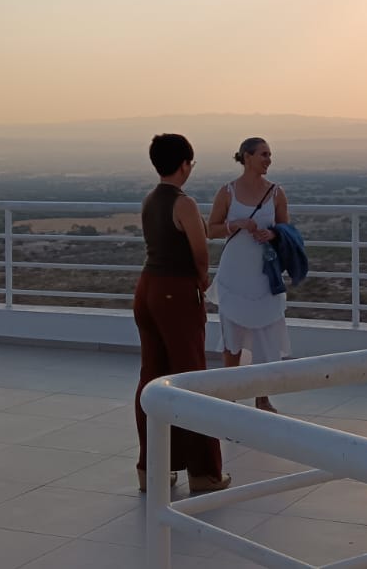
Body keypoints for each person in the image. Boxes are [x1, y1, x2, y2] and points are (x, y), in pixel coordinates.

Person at [133, 134, 231, 493]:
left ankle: (152, 468)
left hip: (147, 289)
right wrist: (202, 279)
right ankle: (205, 473)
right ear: (185, 164)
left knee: (152, 378)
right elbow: (199, 250)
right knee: (191, 381)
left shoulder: (149, 199)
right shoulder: (183, 203)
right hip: (175, 291)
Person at [208, 137, 291, 413]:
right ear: (247, 157)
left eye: (270, 154)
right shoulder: (228, 192)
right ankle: (230, 394)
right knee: (232, 334)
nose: (268, 159)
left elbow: (287, 231)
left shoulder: (277, 192)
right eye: (263, 154)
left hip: (264, 274)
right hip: (235, 272)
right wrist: (237, 224)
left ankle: (262, 397)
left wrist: (273, 233)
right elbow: (212, 229)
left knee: (266, 336)